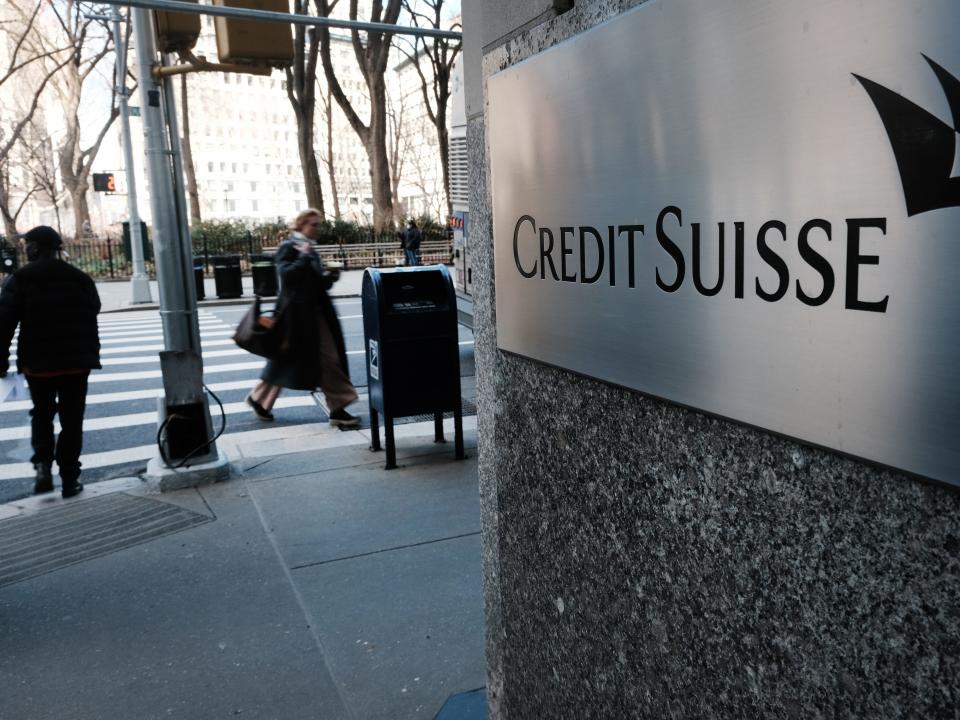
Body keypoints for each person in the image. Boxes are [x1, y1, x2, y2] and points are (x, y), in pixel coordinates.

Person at [0, 226, 101, 498]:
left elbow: (4, 324)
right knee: (72, 420)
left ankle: (43, 468)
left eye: (28, 244)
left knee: (42, 414)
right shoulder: (79, 278)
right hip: (76, 362)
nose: (25, 248)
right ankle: (70, 479)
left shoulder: (19, 279)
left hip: (38, 363)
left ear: (37, 247)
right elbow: (93, 310)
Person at [246, 209, 360, 428]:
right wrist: (305, 256)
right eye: (314, 224)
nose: (318, 228)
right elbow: (287, 277)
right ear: (301, 225)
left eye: (319, 224)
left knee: (293, 359)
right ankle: (338, 408)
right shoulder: (289, 247)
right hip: (297, 317)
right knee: (324, 358)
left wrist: (330, 277)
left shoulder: (308, 247)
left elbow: (315, 283)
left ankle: (259, 399)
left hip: (314, 315)